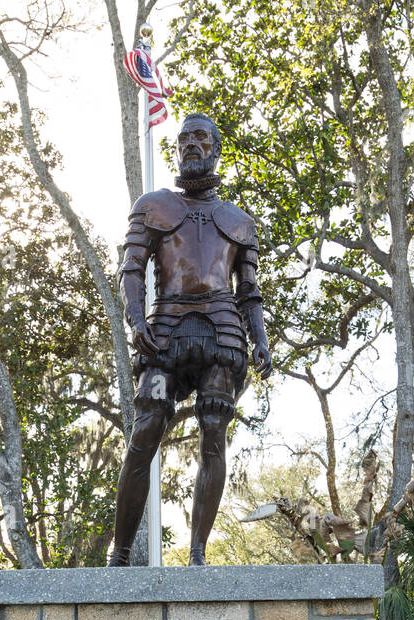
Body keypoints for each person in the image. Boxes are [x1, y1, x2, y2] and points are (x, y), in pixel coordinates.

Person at [108, 112, 272, 567]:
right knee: (146, 428)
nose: (191, 145)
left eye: (200, 137)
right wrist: (134, 316)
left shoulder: (239, 221)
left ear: (216, 147)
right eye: (183, 139)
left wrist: (259, 339)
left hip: (222, 333)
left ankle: (198, 554)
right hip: (167, 331)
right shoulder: (153, 205)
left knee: (214, 432)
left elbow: (249, 291)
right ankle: (119, 555)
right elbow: (132, 268)